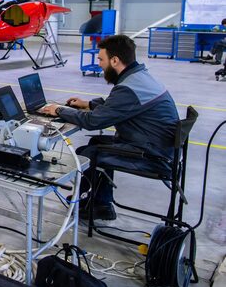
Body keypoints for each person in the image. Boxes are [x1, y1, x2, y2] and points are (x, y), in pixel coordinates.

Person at [40, 35, 179, 221]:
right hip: (158, 146)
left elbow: (93, 122)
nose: (99, 64)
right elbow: (119, 106)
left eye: (101, 59)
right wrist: (88, 104)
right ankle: (100, 203)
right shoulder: (139, 77)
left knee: (87, 154)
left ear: (115, 60)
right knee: (96, 142)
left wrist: (59, 110)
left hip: (152, 155)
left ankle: (90, 203)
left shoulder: (128, 88)